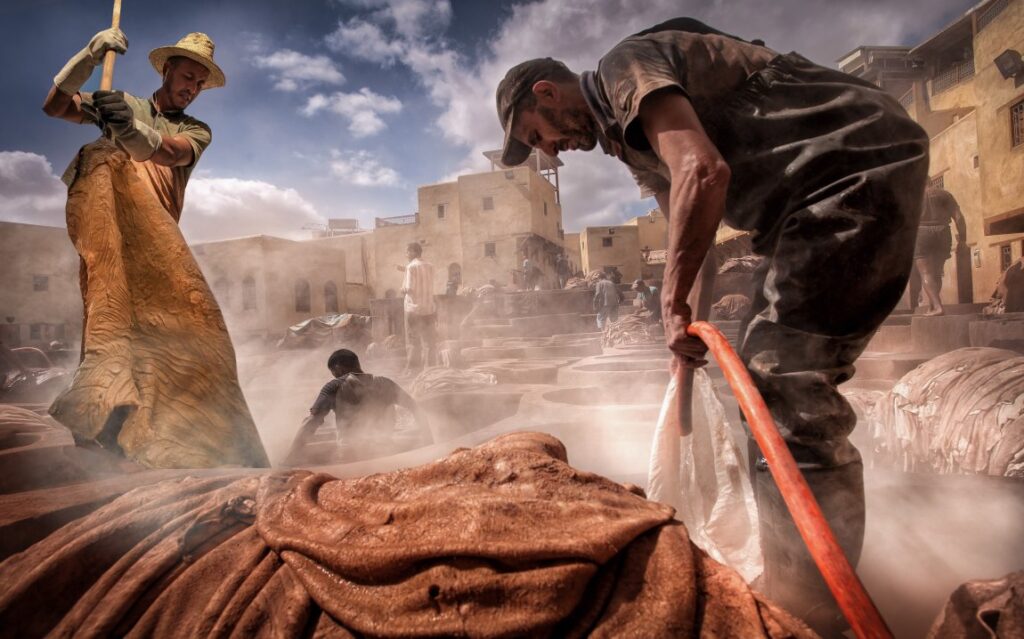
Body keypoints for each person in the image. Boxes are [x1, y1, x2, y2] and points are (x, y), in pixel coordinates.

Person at [496, 17, 928, 632]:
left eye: (537, 136)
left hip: (850, 169)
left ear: (546, 93)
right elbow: (687, 227)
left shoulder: (625, 69)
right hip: (806, 206)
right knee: (754, 381)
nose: (548, 151)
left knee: (784, 384)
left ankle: (809, 609)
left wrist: (670, 299)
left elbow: (704, 171)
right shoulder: (631, 144)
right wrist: (684, 339)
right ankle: (794, 564)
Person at [43, 30, 221, 218]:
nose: (192, 89)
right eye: (188, 77)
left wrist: (130, 128)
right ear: (168, 69)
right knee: (97, 153)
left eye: (200, 84)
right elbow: (55, 107)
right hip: (104, 221)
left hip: (155, 232)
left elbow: (173, 154)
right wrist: (88, 56)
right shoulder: (121, 101)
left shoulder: (197, 130)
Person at [285, 349, 429, 465]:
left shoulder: (334, 386)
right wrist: (430, 442)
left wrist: (290, 458)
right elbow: (415, 408)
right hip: (386, 451)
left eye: (333, 372)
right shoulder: (385, 383)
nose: (334, 375)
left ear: (338, 367)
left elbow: (310, 422)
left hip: (350, 455)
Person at [911, 186, 968, 316]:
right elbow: (959, 218)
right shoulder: (945, 194)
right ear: (931, 181)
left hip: (922, 232)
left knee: (926, 272)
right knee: (936, 272)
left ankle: (937, 307)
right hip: (943, 232)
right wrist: (963, 240)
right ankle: (933, 305)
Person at [401, 242, 437, 373]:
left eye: (407, 252)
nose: (406, 254)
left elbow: (409, 288)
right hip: (429, 308)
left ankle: (413, 370)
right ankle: (430, 369)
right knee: (429, 341)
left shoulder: (411, 267)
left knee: (413, 340)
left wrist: (402, 289)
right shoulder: (430, 266)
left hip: (414, 310)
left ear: (413, 252)